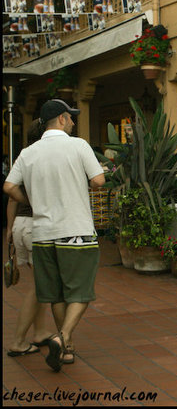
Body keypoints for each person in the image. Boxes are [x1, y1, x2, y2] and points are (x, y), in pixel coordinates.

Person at [4, 98, 106, 372]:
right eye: (71, 117)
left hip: (43, 234)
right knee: (80, 292)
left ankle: (67, 351)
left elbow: (9, 186)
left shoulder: (28, 153)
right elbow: (98, 180)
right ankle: (63, 338)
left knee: (56, 294)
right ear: (61, 119)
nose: (73, 122)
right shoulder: (78, 145)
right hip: (76, 232)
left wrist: (33, 200)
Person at [6, 119, 54, 358]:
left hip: (21, 226)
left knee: (39, 283)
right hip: (36, 226)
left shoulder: (24, 156)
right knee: (40, 286)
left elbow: (11, 196)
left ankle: (41, 331)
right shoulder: (42, 158)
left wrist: (9, 228)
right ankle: (18, 341)